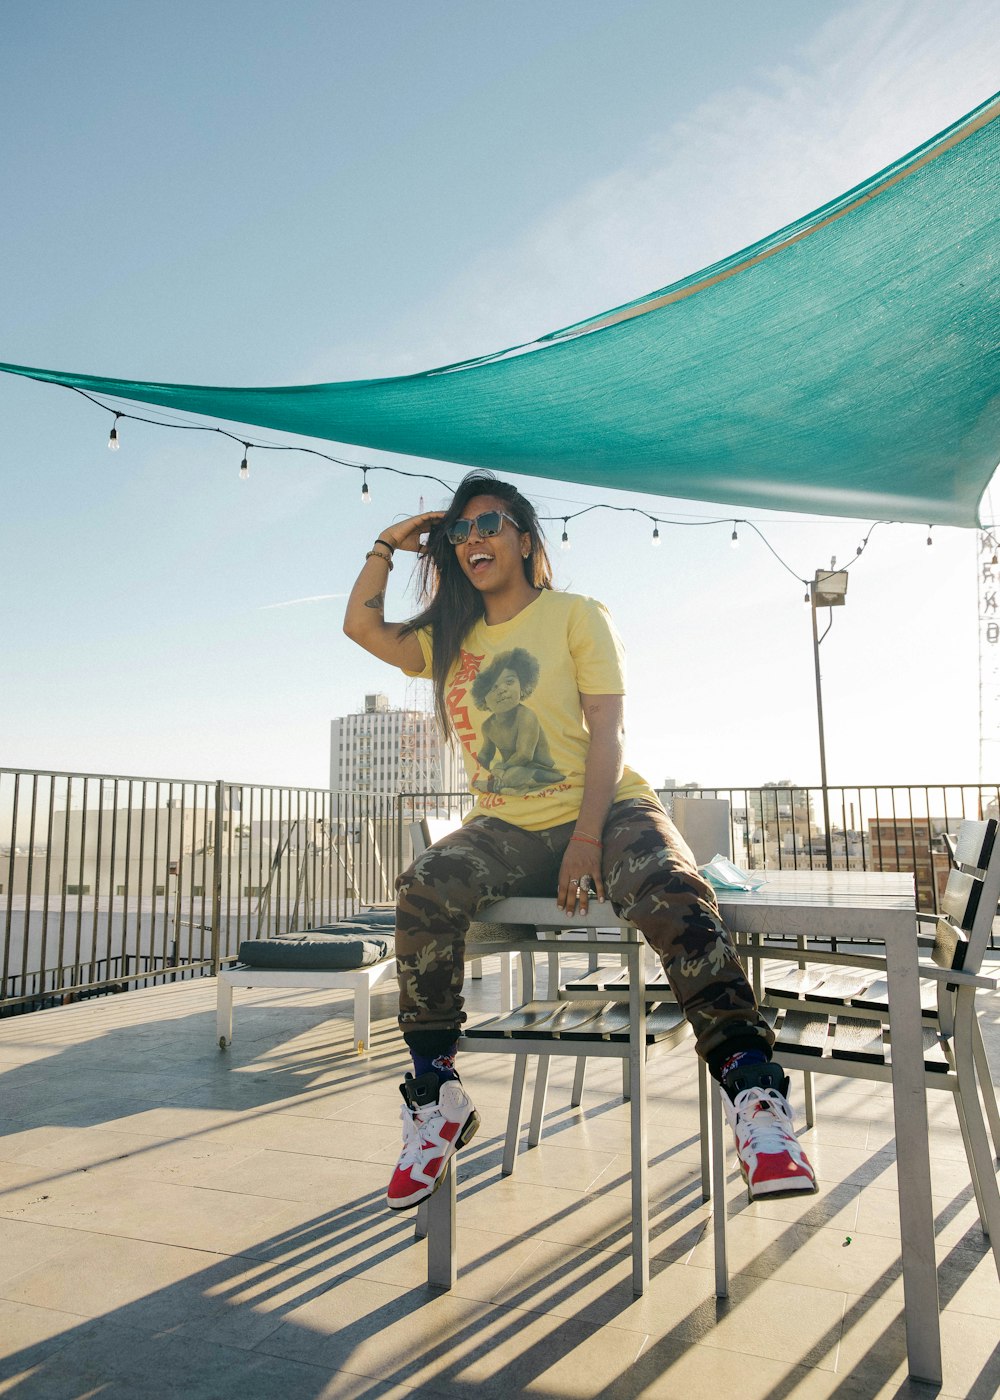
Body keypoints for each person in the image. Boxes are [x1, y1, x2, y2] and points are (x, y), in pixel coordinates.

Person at [343, 471, 816, 1211]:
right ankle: (435, 1096)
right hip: (509, 824)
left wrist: (588, 838)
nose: (474, 540)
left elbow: (608, 730)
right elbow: (361, 629)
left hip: (608, 804)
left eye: (490, 523)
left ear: (526, 538)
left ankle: (754, 1094)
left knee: (668, 887)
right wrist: (387, 544)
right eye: (461, 530)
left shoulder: (574, 614)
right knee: (425, 885)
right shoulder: (449, 638)